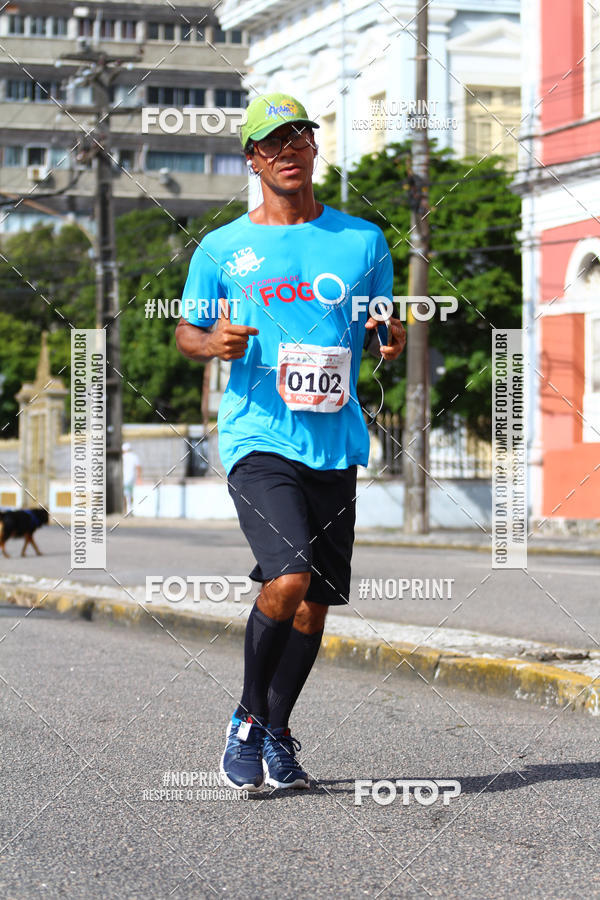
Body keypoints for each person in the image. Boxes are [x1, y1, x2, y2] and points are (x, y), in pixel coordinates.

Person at [176, 93, 406, 792]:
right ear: (252, 159)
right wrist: (212, 340)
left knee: (315, 602)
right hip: (259, 436)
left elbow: (382, 324)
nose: (286, 150)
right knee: (288, 575)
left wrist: (390, 338)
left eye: (298, 137)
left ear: (313, 148)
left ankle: (275, 731)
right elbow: (188, 332)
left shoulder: (362, 241)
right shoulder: (222, 249)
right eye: (270, 143)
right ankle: (246, 720)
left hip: (334, 440)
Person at [122, 442, 141, 515]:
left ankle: (128, 510)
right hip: (132, 478)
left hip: (124, 478)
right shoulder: (134, 456)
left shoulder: (123, 457)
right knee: (129, 494)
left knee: (126, 494)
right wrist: (139, 478)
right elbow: (138, 467)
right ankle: (129, 509)